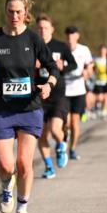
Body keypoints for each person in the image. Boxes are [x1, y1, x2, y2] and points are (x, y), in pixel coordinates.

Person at [0, 0, 60, 213]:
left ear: (26, 14)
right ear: (5, 12)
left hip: (29, 107)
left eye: (18, 12)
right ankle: (6, 186)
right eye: (10, 11)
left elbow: (52, 67)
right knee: (5, 166)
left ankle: (22, 211)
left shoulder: (34, 40)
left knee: (24, 164)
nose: (14, 15)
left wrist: (48, 85)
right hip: (2, 109)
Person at [34, 15, 76, 178]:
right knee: (41, 134)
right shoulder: (32, 46)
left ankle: (61, 144)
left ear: (52, 29)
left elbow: (73, 64)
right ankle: (48, 166)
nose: (43, 30)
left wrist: (62, 66)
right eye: (40, 28)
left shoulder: (61, 46)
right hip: (39, 95)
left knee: (55, 129)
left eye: (46, 27)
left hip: (58, 94)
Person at [63, 26, 94, 161]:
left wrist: (88, 72)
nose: (70, 38)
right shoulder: (62, 49)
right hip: (64, 90)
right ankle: (65, 136)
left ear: (77, 36)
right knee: (66, 122)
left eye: (72, 35)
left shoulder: (84, 50)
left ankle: (73, 148)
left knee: (75, 121)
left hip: (78, 90)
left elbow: (90, 66)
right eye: (68, 35)